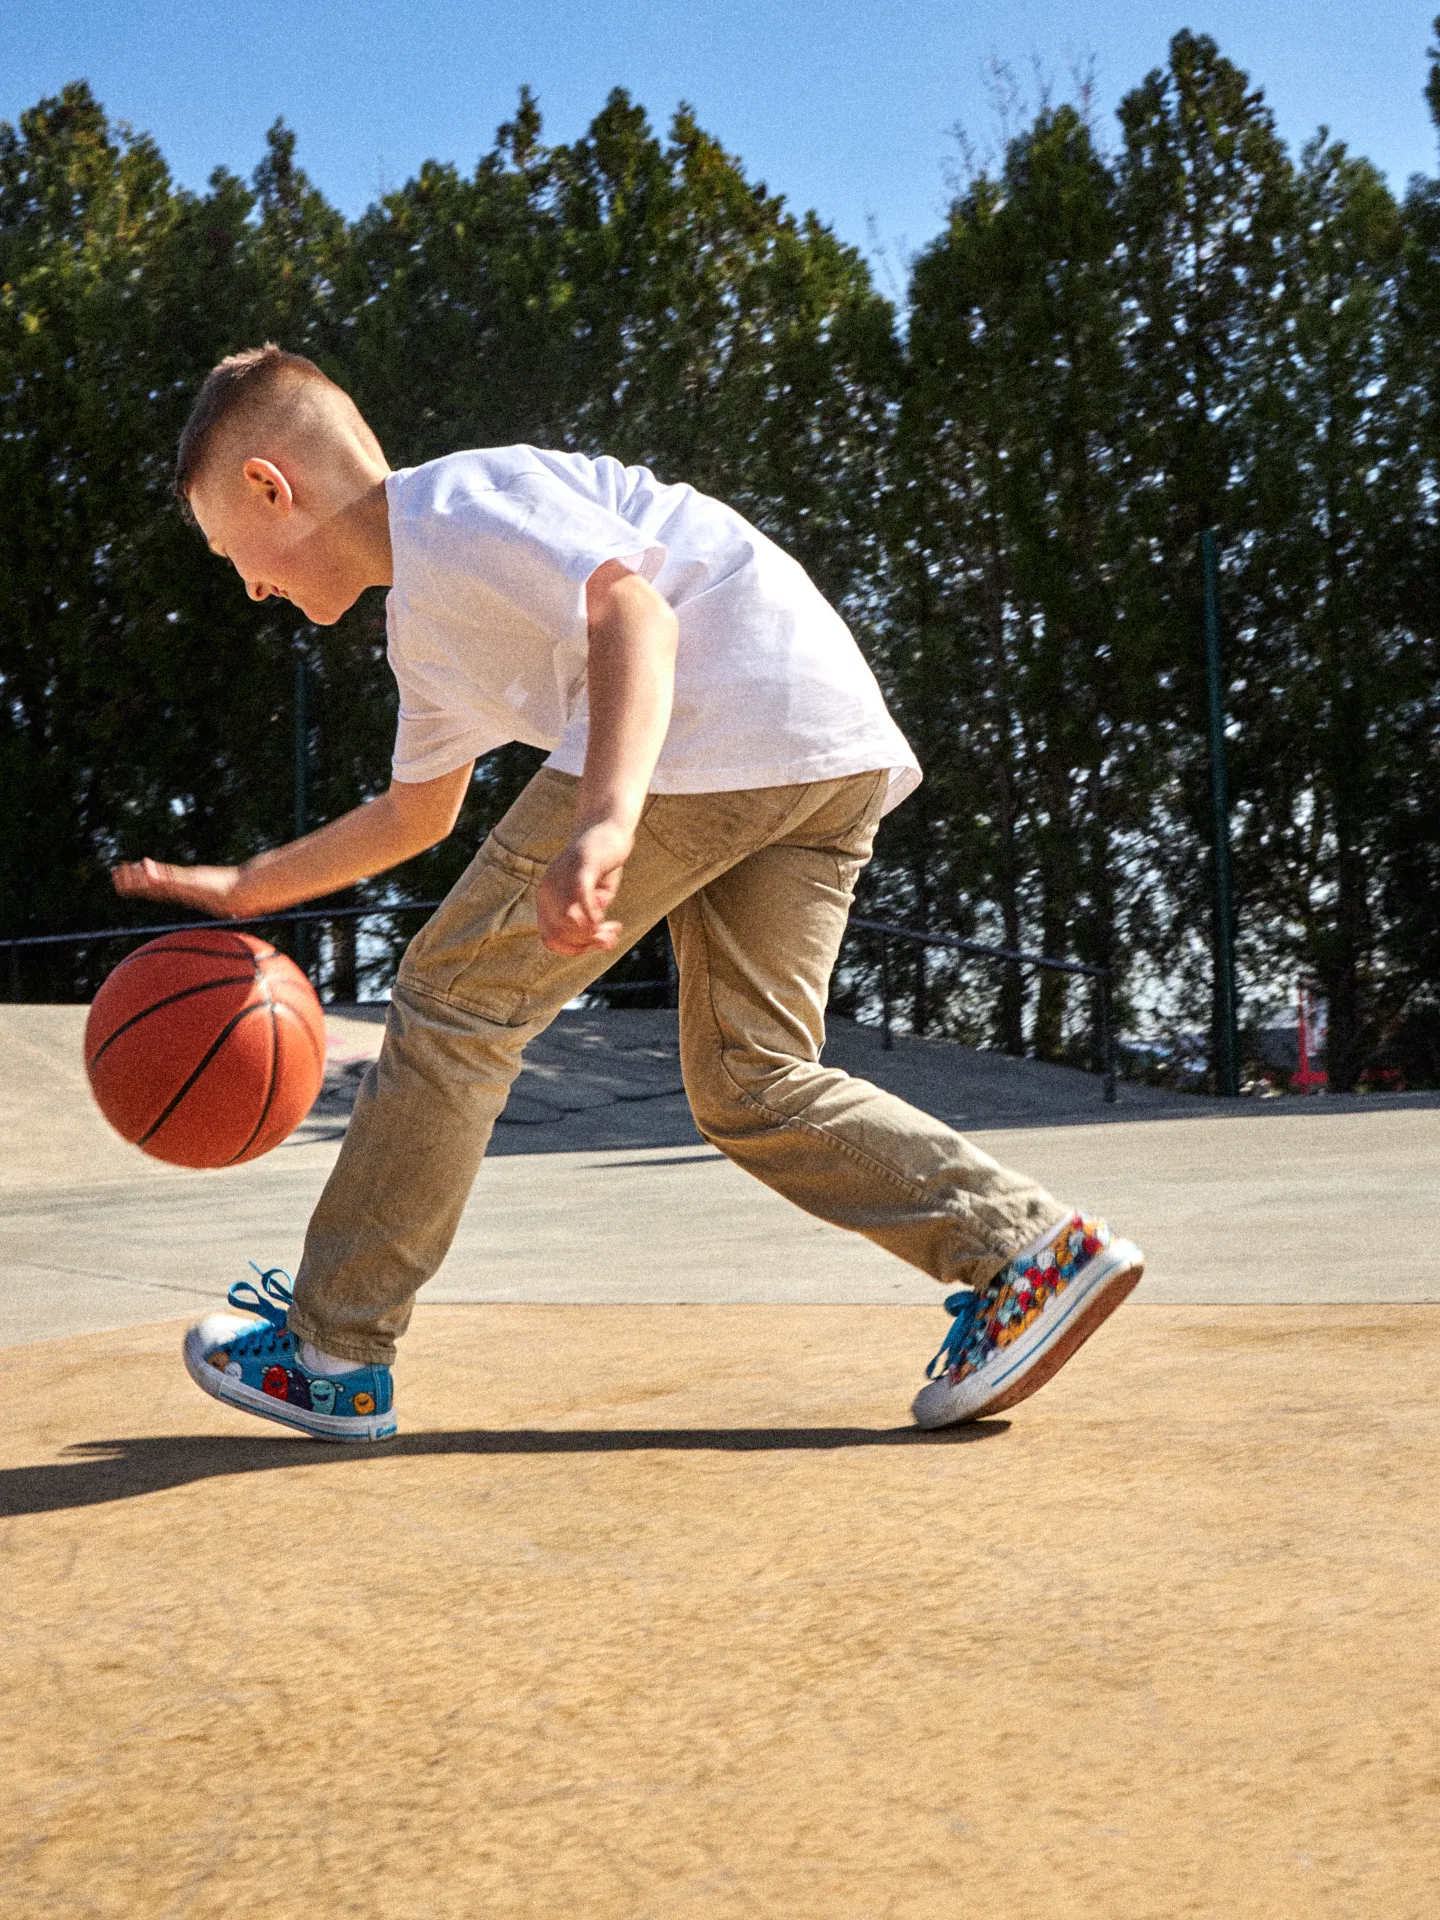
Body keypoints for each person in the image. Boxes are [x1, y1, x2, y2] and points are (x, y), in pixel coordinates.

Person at [115, 344, 1143, 1443]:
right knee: (750, 1076)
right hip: (819, 742)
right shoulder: (427, 624)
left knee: (455, 999)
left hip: (716, 710)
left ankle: (333, 1350)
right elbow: (418, 812)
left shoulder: (458, 507)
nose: (252, 585)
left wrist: (606, 817)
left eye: (237, 552)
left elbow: (635, 614)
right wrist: (253, 883)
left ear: (277, 486)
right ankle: (1029, 1253)